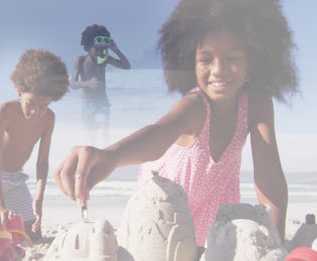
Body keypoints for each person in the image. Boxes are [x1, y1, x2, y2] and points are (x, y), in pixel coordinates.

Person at [55, 0, 298, 246]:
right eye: (205, 59)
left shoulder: (257, 104)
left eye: (232, 57)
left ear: (253, 59)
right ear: (189, 62)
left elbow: (270, 178)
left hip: (214, 213)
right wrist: (110, 156)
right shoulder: (195, 105)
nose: (219, 69)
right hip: (163, 214)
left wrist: (276, 243)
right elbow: (158, 134)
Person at [0, 49, 69, 241]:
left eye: (43, 106)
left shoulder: (48, 118)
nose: (36, 112)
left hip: (16, 181)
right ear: (19, 90)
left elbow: (42, 163)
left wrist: (39, 198)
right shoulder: (5, 111)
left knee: (33, 236)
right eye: (31, 103)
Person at [70, 24, 130, 145]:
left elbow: (127, 66)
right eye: (97, 49)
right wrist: (88, 83)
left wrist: (116, 50)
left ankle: (105, 155)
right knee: (90, 135)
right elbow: (73, 84)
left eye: (103, 49)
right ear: (87, 46)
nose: (100, 52)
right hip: (86, 103)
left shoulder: (105, 58)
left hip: (102, 101)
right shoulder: (81, 60)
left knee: (104, 132)